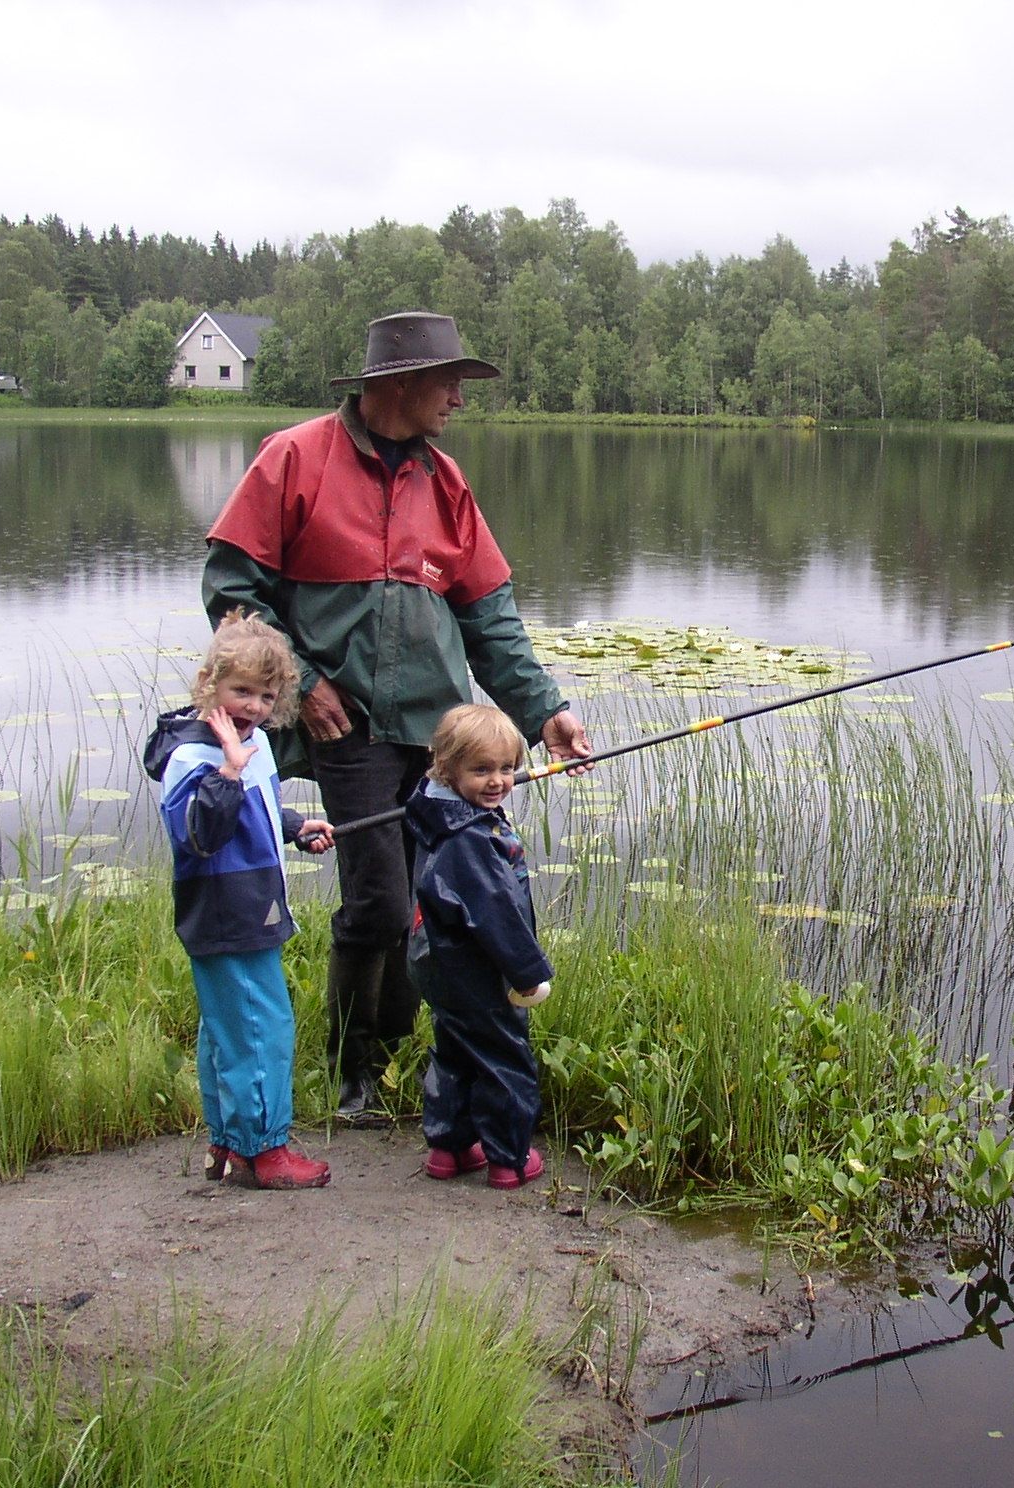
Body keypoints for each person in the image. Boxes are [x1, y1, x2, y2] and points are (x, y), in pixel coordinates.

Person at [201, 311, 590, 1127]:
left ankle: (398, 1058)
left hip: (441, 740)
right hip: (351, 731)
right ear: (399, 383)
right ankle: (353, 1073)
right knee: (377, 903)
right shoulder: (294, 458)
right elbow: (235, 592)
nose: (458, 396)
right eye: (449, 380)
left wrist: (545, 711)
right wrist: (302, 682)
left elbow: (490, 618)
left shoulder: (446, 482)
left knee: (432, 904)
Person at [142, 610, 336, 1190]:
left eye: (266, 695)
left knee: (228, 1028)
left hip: (253, 901)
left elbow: (255, 812)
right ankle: (266, 1151)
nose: (253, 706)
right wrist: (228, 768)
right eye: (241, 691)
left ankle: (229, 1141)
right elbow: (201, 834)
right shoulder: (195, 756)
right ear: (210, 685)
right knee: (260, 1027)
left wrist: (295, 825)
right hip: (226, 910)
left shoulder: (251, 743)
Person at [405, 704, 555, 1189]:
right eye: (481, 770)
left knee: (453, 1048)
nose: (497, 781)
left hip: (435, 958)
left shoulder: (433, 811)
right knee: (504, 1055)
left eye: (507, 769)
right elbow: (497, 915)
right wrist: (528, 971)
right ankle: (508, 1159)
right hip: (474, 967)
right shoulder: (470, 838)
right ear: (448, 769)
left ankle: (448, 1148)